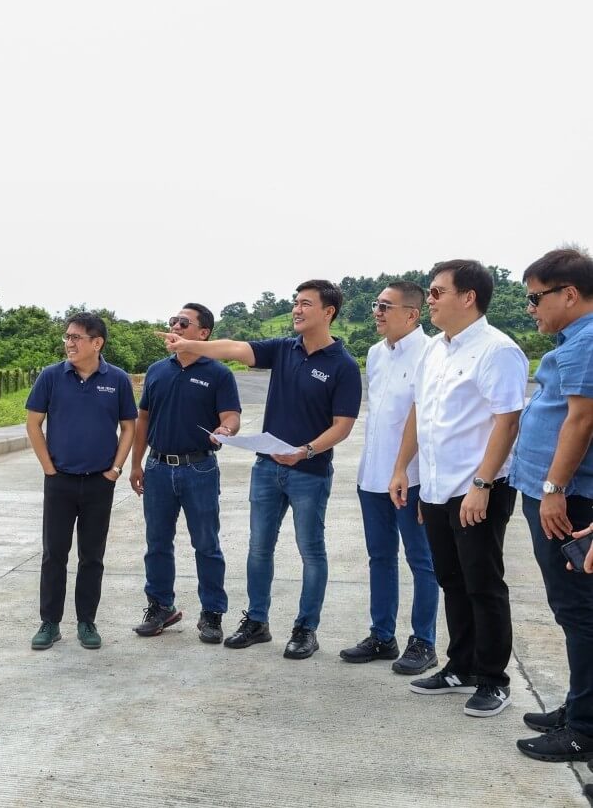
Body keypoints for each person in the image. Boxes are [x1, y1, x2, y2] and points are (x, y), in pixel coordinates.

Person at [160, 280, 361, 660]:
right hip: (267, 468)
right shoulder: (284, 350)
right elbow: (235, 349)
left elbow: (343, 425)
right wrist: (190, 345)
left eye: (305, 304)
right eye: (295, 303)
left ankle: (306, 629)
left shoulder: (344, 366)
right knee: (258, 549)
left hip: (309, 473)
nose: (296, 310)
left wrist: (305, 451)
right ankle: (257, 621)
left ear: (328, 312)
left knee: (311, 551)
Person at [389, 259, 528, 717]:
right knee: (451, 580)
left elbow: (507, 421)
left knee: (483, 584)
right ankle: (460, 666)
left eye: (436, 292)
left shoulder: (497, 350)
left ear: (468, 297)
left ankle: (492, 678)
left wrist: (482, 484)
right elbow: (423, 415)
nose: (429, 300)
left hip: (477, 489)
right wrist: (410, 473)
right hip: (437, 487)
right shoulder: (435, 350)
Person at [507, 247, 593, 761]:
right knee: (571, 612)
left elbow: (581, 421)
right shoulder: (572, 341)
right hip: (554, 497)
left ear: (569, 293)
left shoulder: (586, 343)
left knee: (580, 613)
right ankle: (580, 704)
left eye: (536, 298)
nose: (531, 308)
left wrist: (555, 489)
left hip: (569, 501)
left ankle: (585, 726)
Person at [340, 282, 440, 674]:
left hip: (412, 479)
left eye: (385, 306)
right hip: (373, 476)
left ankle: (424, 642)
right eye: (375, 305)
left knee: (422, 561)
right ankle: (382, 635)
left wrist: (421, 480)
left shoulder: (432, 353)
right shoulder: (375, 353)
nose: (377, 312)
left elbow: (427, 421)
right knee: (379, 558)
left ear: (412, 314)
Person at [130, 304, 242, 643]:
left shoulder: (218, 373)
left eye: (183, 323)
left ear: (203, 333)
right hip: (158, 467)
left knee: (206, 544)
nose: (175, 326)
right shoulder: (156, 371)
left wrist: (226, 428)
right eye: (172, 321)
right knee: (157, 542)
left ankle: (212, 613)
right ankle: (161, 606)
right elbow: (143, 420)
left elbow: (231, 416)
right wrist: (136, 463)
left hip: (199, 468)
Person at [25, 312, 136, 651]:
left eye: (76, 337)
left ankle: (87, 622)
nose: (69, 343)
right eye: (67, 337)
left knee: (92, 556)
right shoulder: (51, 377)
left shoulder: (116, 379)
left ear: (96, 342)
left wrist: (115, 470)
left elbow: (129, 426)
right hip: (60, 482)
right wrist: (48, 469)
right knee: (54, 554)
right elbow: (33, 424)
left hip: (99, 484)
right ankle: (50, 623)